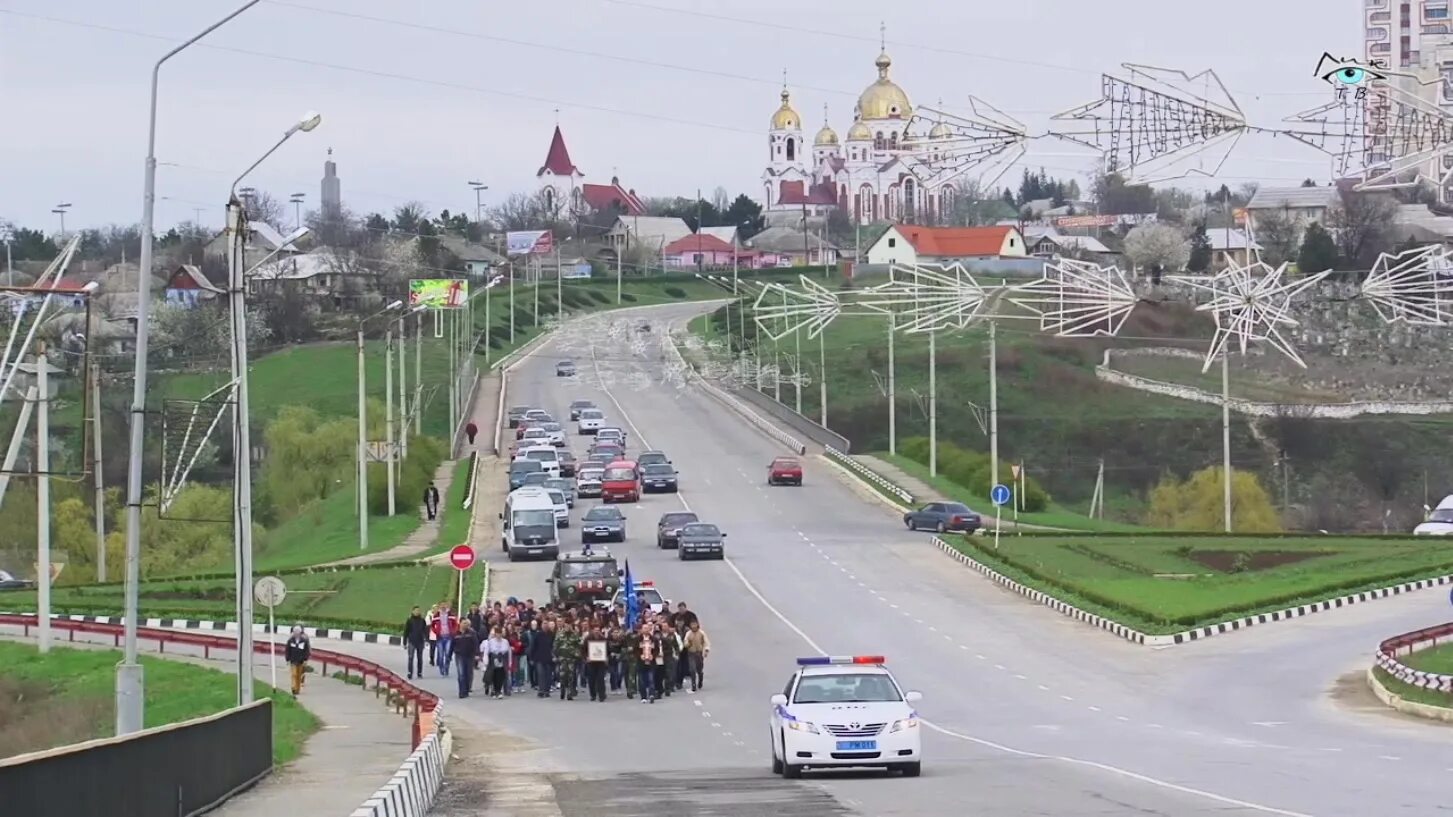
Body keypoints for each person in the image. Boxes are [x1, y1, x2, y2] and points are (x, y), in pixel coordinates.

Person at [554, 622, 581, 700]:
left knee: (571, 676)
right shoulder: (560, 634)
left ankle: (570, 693)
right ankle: (562, 690)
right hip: (562, 658)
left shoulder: (575, 635)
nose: (567, 627)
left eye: (569, 625)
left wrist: (577, 654)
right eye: (566, 626)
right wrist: (556, 655)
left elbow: (579, 644)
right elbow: (555, 645)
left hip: (571, 658)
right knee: (562, 675)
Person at [529, 620, 556, 698]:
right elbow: (533, 646)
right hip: (539, 658)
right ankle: (541, 690)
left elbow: (554, 646)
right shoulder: (538, 635)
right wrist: (531, 658)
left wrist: (555, 656)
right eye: (543, 624)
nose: (545, 625)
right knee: (540, 675)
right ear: (541, 626)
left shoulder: (552, 634)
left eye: (546, 624)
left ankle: (547, 691)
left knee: (548, 675)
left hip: (549, 658)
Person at [453, 620, 479, 698]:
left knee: (468, 673)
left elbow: (475, 643)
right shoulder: (456, 633)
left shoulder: (471, 633)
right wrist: (450, 655)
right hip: (459, 655)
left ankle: (467, 689)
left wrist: (477, 654)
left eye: (466, 623)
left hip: (469, 655)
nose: (465, 625)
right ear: (460, 624)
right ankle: (462, 692)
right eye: (464, 623)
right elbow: (452, 644)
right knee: (461, 674)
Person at [683, 620, 710, 692]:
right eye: (692, 625)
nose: (694, 626)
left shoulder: (701, 633)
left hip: (699, 653)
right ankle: (693, 684)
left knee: (699, 669)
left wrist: (706, 650)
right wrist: (688, 644)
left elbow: (706, 642)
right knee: (692, 669)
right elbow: (685, 642)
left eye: (695, 625)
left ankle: (700, 679)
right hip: (691, 653)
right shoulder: (688, 634)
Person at [284, 624, 311, 697]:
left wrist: (306, 659)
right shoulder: (290, 640)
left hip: (301, 660)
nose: (296, 633)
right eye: (295, 632)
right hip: (293, 660)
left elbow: (307, 651)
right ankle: (293, 687)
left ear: (300, 632)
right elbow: (287, 650)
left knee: (299, 675)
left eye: (297, 632)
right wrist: (287, 659)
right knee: (294, 674)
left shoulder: (304, 640)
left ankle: (297, 689)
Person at [484, 627, 511, 698]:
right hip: (493, 659)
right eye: (497, 634)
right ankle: (494, 690)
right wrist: (485, 661)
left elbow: (509, 652)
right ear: (495, 634)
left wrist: (509, 662)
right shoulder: (491, 642)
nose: (499, 635)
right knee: (494, 675)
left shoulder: (505, 641)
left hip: (502, 659)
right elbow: (487, 651)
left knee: (501, 675)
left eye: (500, 634)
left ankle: (498, 691)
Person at [584, 627, 609, 702]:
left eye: (598, 631)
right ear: (592, 631)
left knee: (600, 679)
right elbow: (583, 649)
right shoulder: (588, 639)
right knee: (591, 679)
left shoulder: (603, 639)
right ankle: (593, 695)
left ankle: (602, 695)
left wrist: (606, 657)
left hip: (601, 662)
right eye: (595, 631)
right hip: (591, 662)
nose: (596, 632)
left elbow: (608, 650)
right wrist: (586, 657)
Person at [403, 605, 428, 680]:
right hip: (411, 641)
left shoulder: (422, 620)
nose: (417, 612)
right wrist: (405, 642)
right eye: (416, 610)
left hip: (420, 641)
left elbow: (425, 631)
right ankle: (410, 672)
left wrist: (426, 640)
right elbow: (406, 631)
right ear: (413, 611)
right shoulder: (409, 620)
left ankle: (419, 672)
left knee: (420, 658)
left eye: (418, 610)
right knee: (411, 657)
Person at [432, 602, 457, 676]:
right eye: (442, 605)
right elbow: (432, 625)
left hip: (448, 636)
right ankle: (441, 668)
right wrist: (436, 631)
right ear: (440, 606)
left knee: (447, 653)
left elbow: (455, 624)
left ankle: (446, 668)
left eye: (445, 605)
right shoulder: (436, 615)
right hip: (440, 637)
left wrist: (453, 631)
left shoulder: (450, 615)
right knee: (440, 654)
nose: (443, 606)